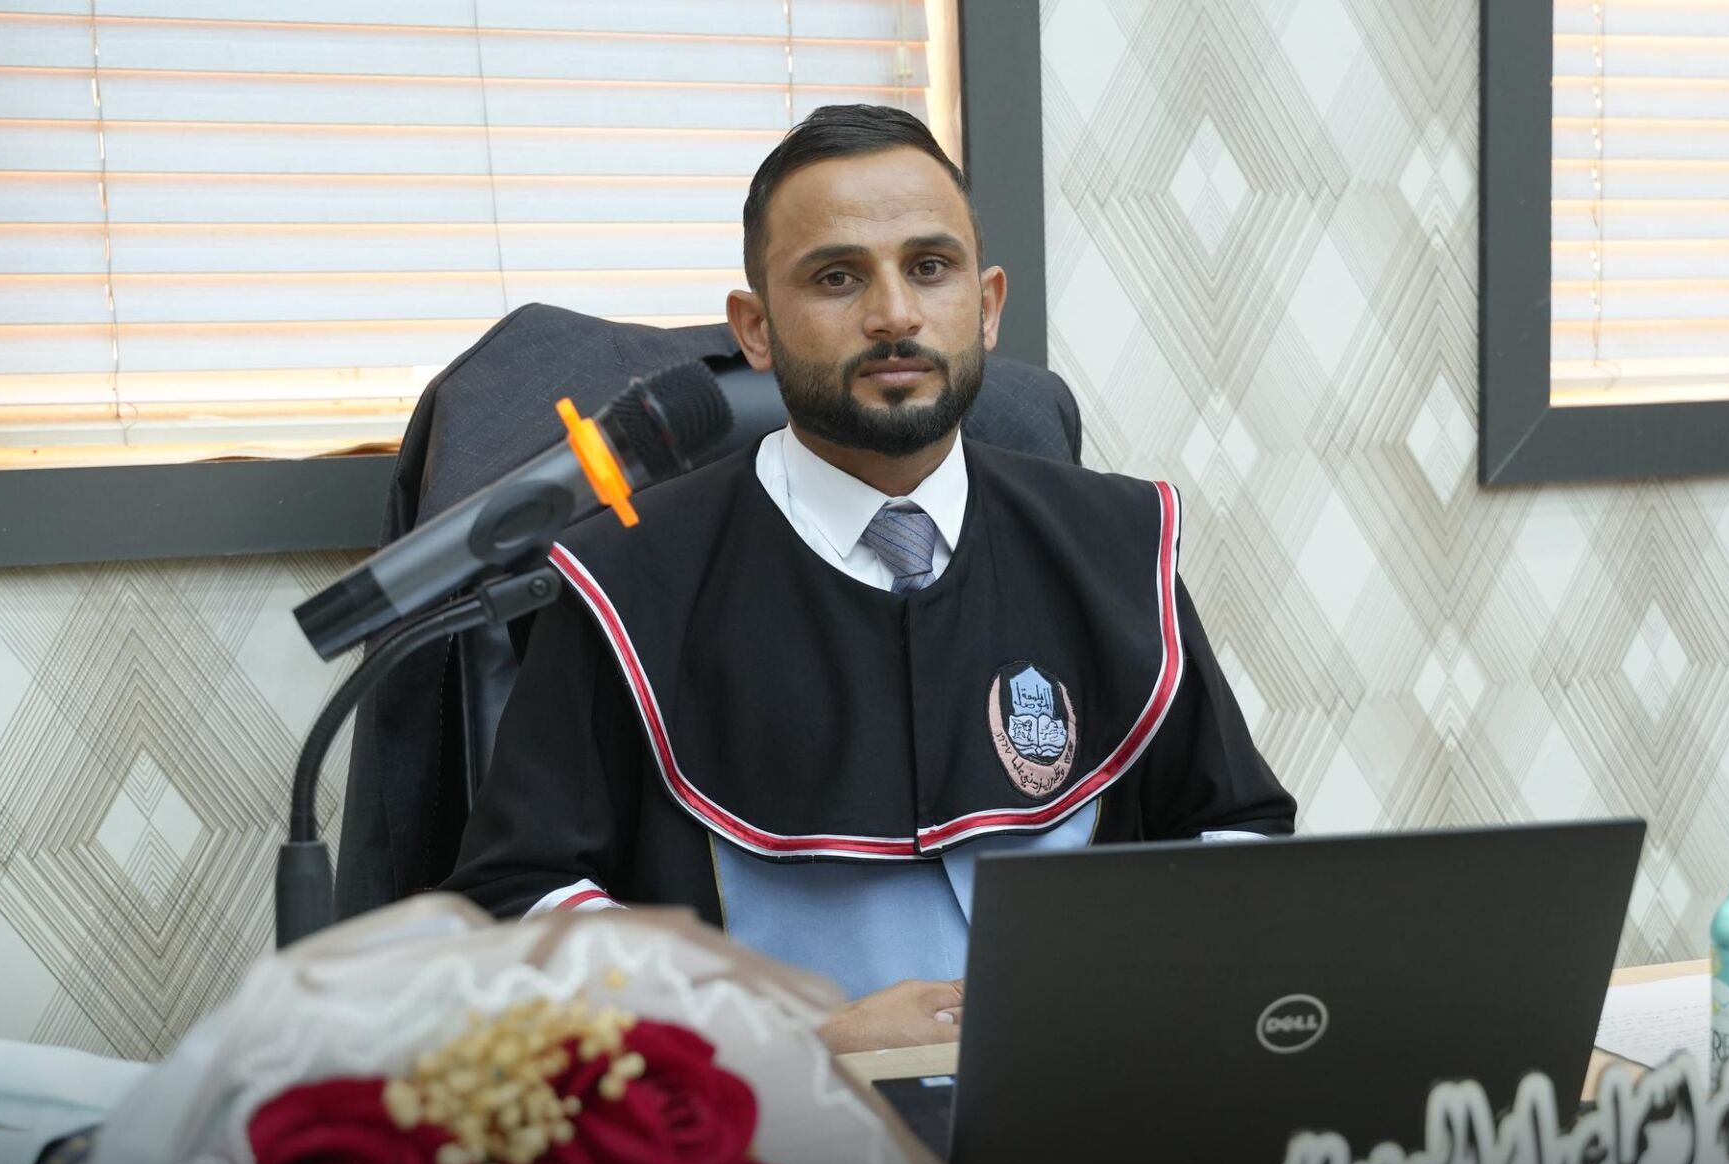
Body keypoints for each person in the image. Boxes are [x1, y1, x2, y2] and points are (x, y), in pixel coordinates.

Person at [443, 105, 1293, 1052]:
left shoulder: (1116, 544)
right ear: (756, 329)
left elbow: (1238, 834)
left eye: (930, 267)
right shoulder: (627, 579)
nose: (894, 314)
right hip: (774, 1111)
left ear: (988, 305)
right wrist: (798, 1037)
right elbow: (520, 894)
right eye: (838, 277)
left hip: (1075, 1094)